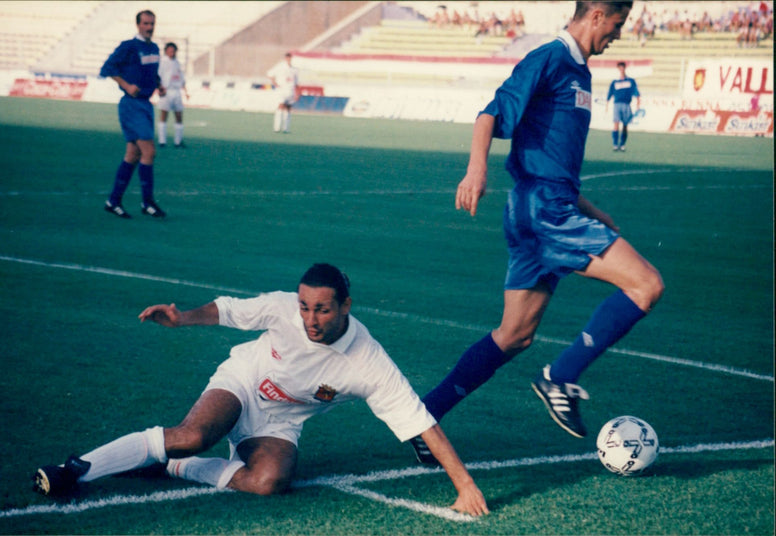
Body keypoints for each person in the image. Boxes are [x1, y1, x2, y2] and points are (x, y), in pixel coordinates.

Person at [410, 1, 664, 465]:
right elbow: (490, 114)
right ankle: (560, 376)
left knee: (514, 335)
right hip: (544, 211)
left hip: (544, 207)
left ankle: (424, 419)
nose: (619, 34)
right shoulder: (550, 58)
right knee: (646, 284)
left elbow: (551, 160)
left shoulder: (582, 74)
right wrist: (476, 170)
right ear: (595, 15)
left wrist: (591, 209)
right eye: (618, 23)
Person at [32, 263, 489, 517]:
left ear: (346, 306)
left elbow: (418, 419)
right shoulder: (282, 308)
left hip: (280, 422)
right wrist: (183, 317)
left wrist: (465, 486)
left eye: (323, 310)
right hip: (243, 382)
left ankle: (177, 468)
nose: (310, 319)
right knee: (193, 435)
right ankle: (77, 467)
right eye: (306, 306)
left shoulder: (368, 361)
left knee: (269, 483)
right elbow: (230, 310)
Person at [100, 9, 166, 219]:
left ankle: (113, 201)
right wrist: (126, 85)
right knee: (149, 152)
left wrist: (159, 85)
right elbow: (107, 68)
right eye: (145, 23)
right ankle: (147, 203)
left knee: (133, 154)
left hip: (146, 104)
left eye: (152, 24)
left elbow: (151, 73)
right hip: (131, 105)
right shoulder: (128, 46)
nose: (149, 27)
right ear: (138, 25)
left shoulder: (154, 48)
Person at [157, 42, 188, 148]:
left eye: (173, 50)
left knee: (179, 116)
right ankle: (162, 140)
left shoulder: (177, 63)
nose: (171, 52)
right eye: (170, 50)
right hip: (166, 90)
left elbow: (182, 79)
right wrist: (159, 88)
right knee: (164, 115)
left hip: (176, 91)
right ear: (166, 51)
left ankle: (178, 141)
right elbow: (158, 76)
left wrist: (186, 92)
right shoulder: (162, 62)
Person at [606, 61, 641, 151]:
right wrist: (607, 104)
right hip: (617, 104)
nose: (621, 70)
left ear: (625, 68)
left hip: (626, 104)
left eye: (622, 68)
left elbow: (636, 92)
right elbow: (610, 93)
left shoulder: (630, 81)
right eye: (620, 68)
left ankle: (622, 144)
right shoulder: (615, 82)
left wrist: (638, 103)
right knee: (616, 124)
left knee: (625, 125)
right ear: (618, 69)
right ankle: (615, 144)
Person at [267, 52, 299, 133]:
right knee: (280, 106)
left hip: (290, 90)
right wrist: (276, 84)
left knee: (288, 108)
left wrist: (297, 93)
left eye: (290, 58)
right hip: (282, 90)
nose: (289, 59)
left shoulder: (294, 69)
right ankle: (277, 128)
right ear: (285, 58)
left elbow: (296, 83)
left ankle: (286, 128)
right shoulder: (280, 67)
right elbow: (270, 74)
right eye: (288, 58)